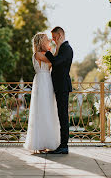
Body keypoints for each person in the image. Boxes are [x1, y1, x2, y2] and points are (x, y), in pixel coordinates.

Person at [36, 26, 73, 154]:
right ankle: (61, 145)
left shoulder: (67, 49)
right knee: (60, 115)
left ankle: (64, 146)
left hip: (62, 86)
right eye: (52, 38)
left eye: (55, 37)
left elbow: (56, 62)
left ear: (61, 35)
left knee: (63, 116)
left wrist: (47, 53)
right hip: (57, 86)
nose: (53, 40)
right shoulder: (60, 49)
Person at [24, 33, 60, 153]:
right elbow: (53, 62)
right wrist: (56, 50)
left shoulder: (44, 53)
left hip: (47, 81)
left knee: (48, 110)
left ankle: (46, 141)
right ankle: (39, 143)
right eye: (46, 40)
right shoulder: (38, 54)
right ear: (40, 42)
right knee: (41, 110)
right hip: (42, 81)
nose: (48, 41)